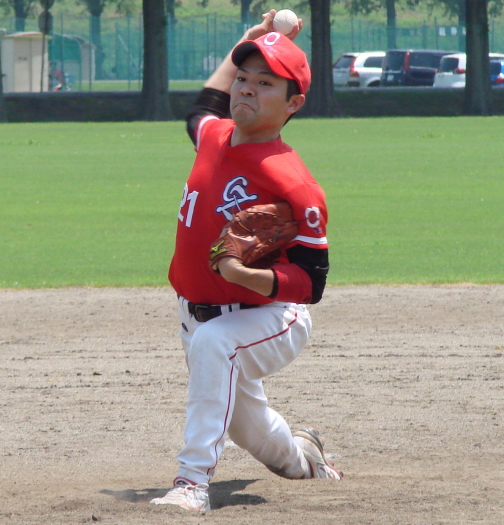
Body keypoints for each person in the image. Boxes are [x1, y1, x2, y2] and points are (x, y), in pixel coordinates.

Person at [150, 9, 341, 513]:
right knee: (247, 427)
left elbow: (311, 282)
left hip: (270, 317)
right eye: (243, 78)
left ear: (294, 103)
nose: (247, 89)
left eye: (265, 83)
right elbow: (200, 108)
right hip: (195, 315)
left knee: (217, 344)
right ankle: (304, 459)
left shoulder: (293, 182)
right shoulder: (214, 136)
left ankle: (191, 483)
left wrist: (244, 274)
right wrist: (250, 37)